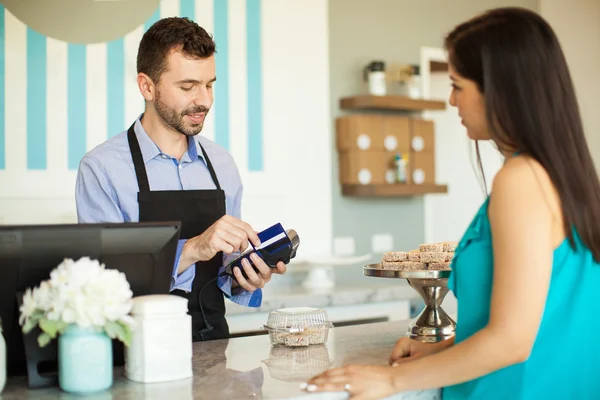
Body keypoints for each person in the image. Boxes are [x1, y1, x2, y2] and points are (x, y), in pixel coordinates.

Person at [303, 7, 600, 399]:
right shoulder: (562, 174)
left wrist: (390, 380)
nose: (450, 99)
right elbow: (541, 317)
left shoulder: (520, 180)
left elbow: (512, 341)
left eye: (458, 85)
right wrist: (442, 349)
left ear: (500, 89)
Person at [75, 17, 287, 342]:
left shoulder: (222, 164)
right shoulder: (101, 168)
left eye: (209, 84)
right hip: (137, 353)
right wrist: (193, 248)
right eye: (188, 87)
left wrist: (247, 274)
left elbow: (223, 274)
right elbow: (102, 286)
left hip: (214, 348)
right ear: (147, 86)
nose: (204, 100)